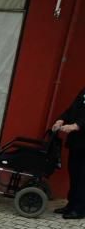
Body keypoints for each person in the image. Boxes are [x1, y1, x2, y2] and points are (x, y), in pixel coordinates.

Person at [51, 86, 85, 218]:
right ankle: (71, 205)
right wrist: (61, 119)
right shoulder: (83, 91)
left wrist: (77, 126)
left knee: (82, 177)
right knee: (74, 174)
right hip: (77, 142)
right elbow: (72, 109)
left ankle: (80, 209)